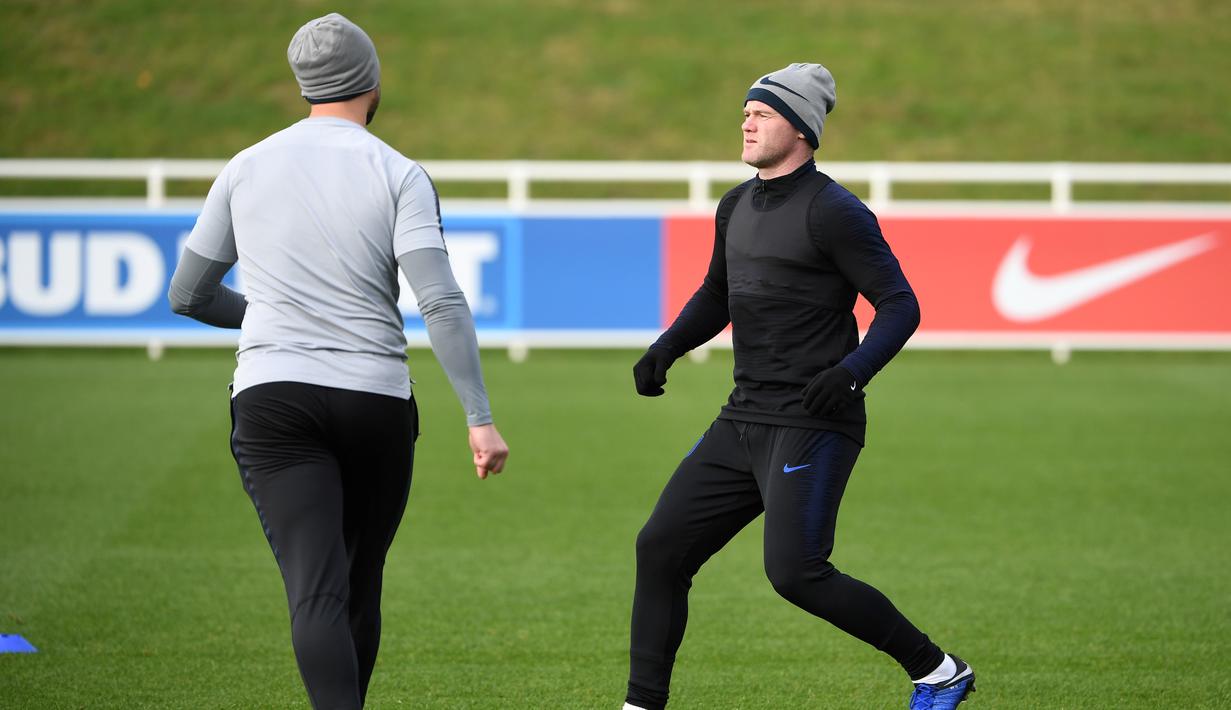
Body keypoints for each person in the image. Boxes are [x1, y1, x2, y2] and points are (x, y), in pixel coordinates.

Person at [167, 13, 509, 709]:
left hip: (274, 399)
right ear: (372, 81)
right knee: (359, 580)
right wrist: (479, 418)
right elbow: (439, 303)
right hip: (375, 399)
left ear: (303, 85)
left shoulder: (246, 166)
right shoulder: (398, 173)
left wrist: (268, 317)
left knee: (315, 589)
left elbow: (188, 294)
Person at [624, 63, 973, 710]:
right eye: (745, 111)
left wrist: (850, 373)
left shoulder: (835, 211)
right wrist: (667, 347)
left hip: (814, 422)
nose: (745, 120)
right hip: (741, 420)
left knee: (795, 574)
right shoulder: (734, 205)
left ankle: (938, 670)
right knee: (660, 548)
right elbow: (717, 294)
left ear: (800, 127)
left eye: (760, 112)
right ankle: (640, 705)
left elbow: (899, 305)